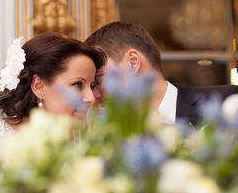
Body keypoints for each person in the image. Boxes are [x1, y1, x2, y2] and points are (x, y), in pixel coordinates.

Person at [0, 32, 104, 180]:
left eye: (91, 86)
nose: (90, 98)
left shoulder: (79, 143)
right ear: (39, 86)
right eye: (77, 84)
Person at [85, 21, 238, 126]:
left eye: (98, 79)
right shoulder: (112, 140)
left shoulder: (226, 103)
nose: (94, 96)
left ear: (132, 62)